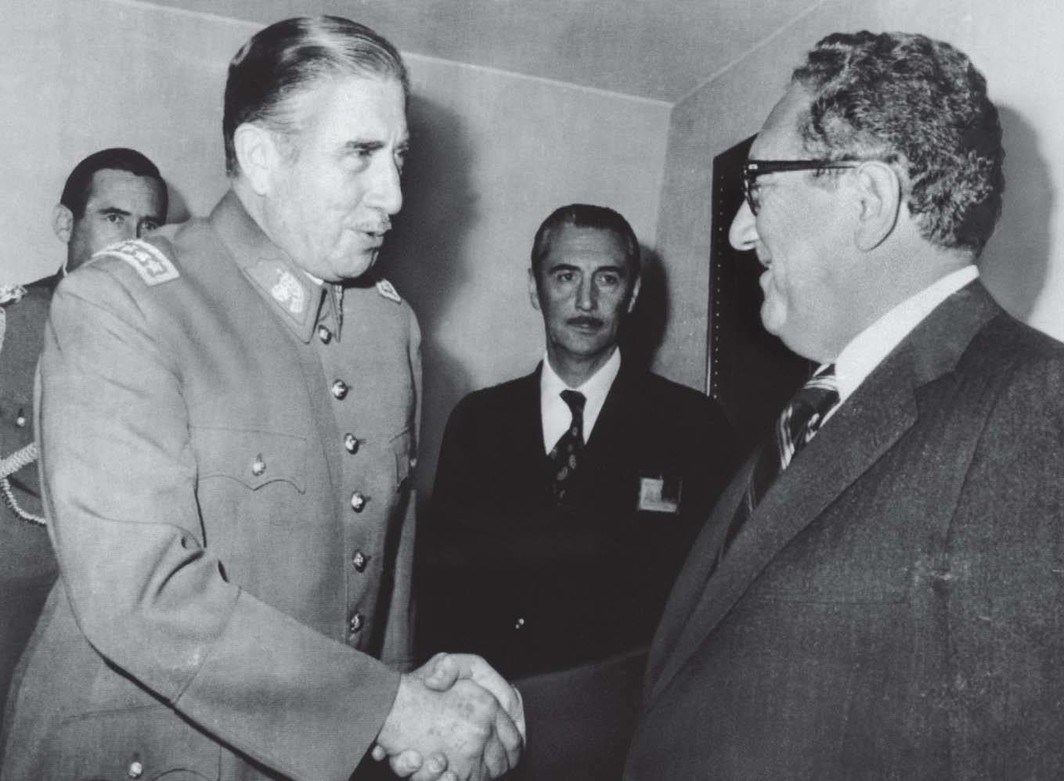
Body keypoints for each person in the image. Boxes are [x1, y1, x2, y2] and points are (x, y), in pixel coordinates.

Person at [1, 17, 521, 781]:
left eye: (400, 154)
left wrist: (409, 701)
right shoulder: (122, 304)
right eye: (361, 154)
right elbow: (138, 593)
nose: (397, 193)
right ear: (261, 156)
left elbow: (388, 563)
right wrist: (387, 708)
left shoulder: (389, 328)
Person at [621, 31, 1064, 778]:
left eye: (757, 189)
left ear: (868, 200)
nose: (737, 230)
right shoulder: (824, 405)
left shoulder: (1035, 407)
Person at [419, 205, 736, 675]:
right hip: (496, 705)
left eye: (607, 279)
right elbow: (442, 595)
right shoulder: (478, 422)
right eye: (566, 276)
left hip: (623, 717)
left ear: (632, 294)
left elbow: (709, 605)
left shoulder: (695, 427)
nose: (586, 302)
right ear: (535, 287)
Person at [0, 147, 167, 757]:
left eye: (150, 227)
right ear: (66, 225)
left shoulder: (176, 343)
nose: (135, 242)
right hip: (13, 598)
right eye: (115, 218)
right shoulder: (13, 324)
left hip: (121, 610)